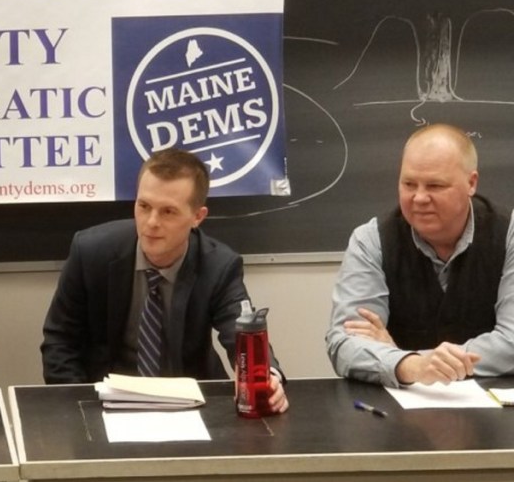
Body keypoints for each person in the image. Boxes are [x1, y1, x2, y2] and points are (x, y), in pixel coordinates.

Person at [41, 148, 289, 413]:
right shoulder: (91, 252)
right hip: (105, 402)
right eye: (143, 206)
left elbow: (240, 333)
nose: (151, 222)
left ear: (197, 217)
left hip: (190, 404)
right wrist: (80, 408)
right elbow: (59, 341)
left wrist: (266, 376)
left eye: (168, 212)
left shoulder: (219, 265)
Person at [326, 123, 514, 387]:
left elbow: (512, 342)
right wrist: (411, 366)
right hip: (396, 415)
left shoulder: (508, 234)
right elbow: (344, 343)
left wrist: (409, 360)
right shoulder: (371, 240)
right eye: (409, 184)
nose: (419, 198)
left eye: (435, 185)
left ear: (471, 183)